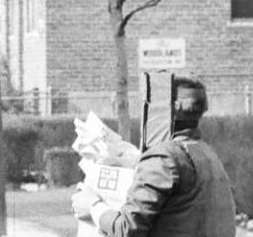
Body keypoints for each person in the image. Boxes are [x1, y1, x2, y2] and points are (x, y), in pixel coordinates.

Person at [71, 76, 236, 237]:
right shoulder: (206, 153)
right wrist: (139, 162)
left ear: (165, 112)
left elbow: (127, 229)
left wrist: (93, 206)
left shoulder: (164, 157)